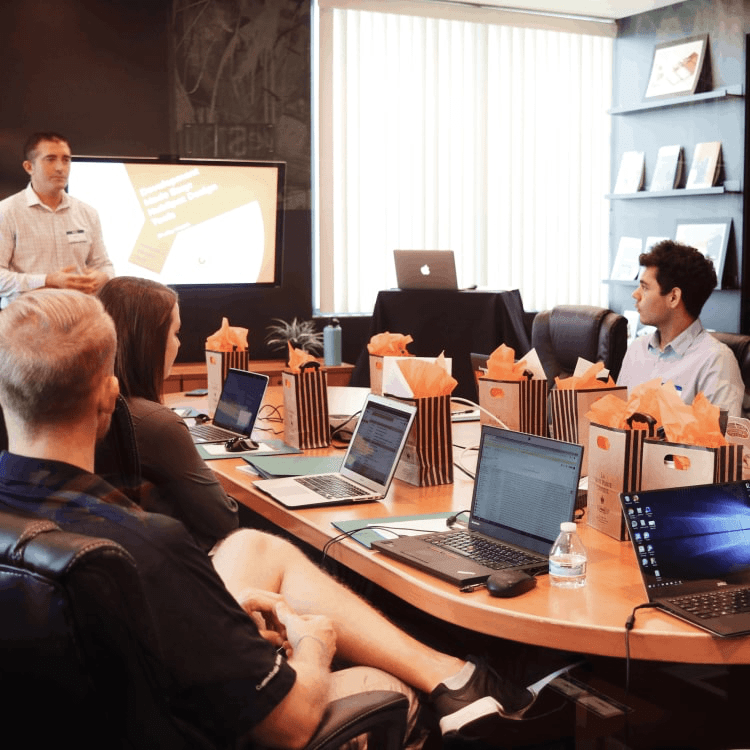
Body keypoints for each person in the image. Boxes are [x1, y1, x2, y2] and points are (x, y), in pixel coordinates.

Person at [0, 287, 554, 747]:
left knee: (253, 548)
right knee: (386, 686)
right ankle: (455, 685)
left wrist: (216, 615)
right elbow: (288, 726)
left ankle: (454, 674)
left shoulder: (51, 532)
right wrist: (315, 642)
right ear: (107, 395)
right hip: (204, 729)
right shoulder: (149, 547)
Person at [98, 276, 237, 551]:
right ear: (148, 342)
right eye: (175, 333)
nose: (179, 344)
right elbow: (224, 520)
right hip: (176, 566)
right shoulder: (157, 424)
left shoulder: (87, 407)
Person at [617, 240, 744, 417]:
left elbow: (723, 442)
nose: (635, 294)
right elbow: (615, 421)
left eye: (645, 287)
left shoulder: (716, 361)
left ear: (673, 297)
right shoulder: (636, 349)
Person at [0, 131, 114, 308]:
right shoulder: (7, 213)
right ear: (29, 167)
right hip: (26, 323)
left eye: (66, 160)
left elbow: (104, 266)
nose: (60, 168)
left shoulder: (87, 213)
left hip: (80, 318)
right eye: (50, 159)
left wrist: (102, 277)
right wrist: (48, 280)